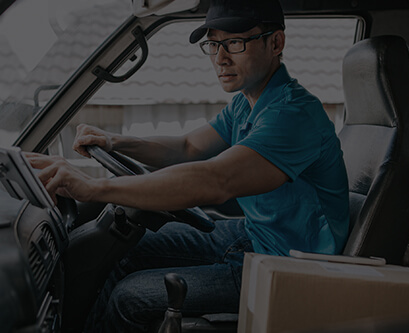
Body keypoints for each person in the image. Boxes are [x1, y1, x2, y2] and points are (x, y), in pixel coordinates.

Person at [27, 0, 350, 331]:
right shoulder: (248, 102)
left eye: (235, 42)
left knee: (129, 297)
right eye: (213, 44)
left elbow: (215, 180)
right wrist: (114, 142)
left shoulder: (291, 115)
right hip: (254, 236)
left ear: (276, 43)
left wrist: (95, 187)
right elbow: (189, 146)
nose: (221, 58)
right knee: (123, 250)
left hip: (286, 267)